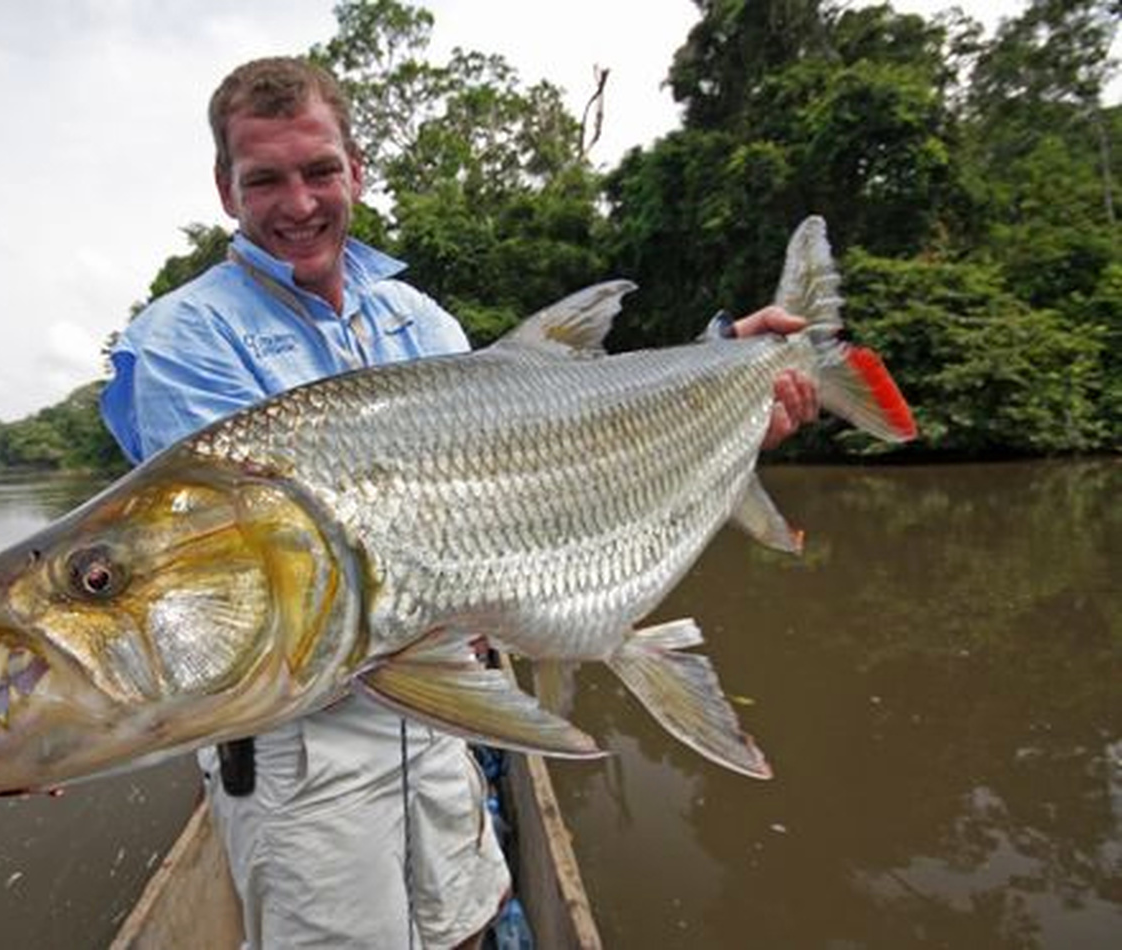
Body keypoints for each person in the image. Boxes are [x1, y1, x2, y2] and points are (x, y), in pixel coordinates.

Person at [100, 56, 816, 950]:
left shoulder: (420, 320)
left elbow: (549, 441)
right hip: (305, 752)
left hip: (444, 712)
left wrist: (723, 374)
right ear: (225, 188)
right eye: (266, 179)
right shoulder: (181, 340)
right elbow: (236, 590)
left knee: (468, 922)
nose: (298, 203)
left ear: (356, 169)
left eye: (320, 171)